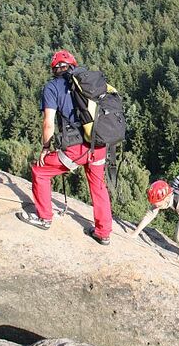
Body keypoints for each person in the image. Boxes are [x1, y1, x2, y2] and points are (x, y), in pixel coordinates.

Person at [17, 49, 112, 245]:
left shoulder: (52, 88)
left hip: (76, 148)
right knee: (98, 186)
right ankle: (103, 233)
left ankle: (44, 217)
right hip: (99, 144)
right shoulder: (88, 82)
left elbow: (48, 123)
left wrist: (45, 147)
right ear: (73, 66)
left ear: (54, 69)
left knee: (40, 170)